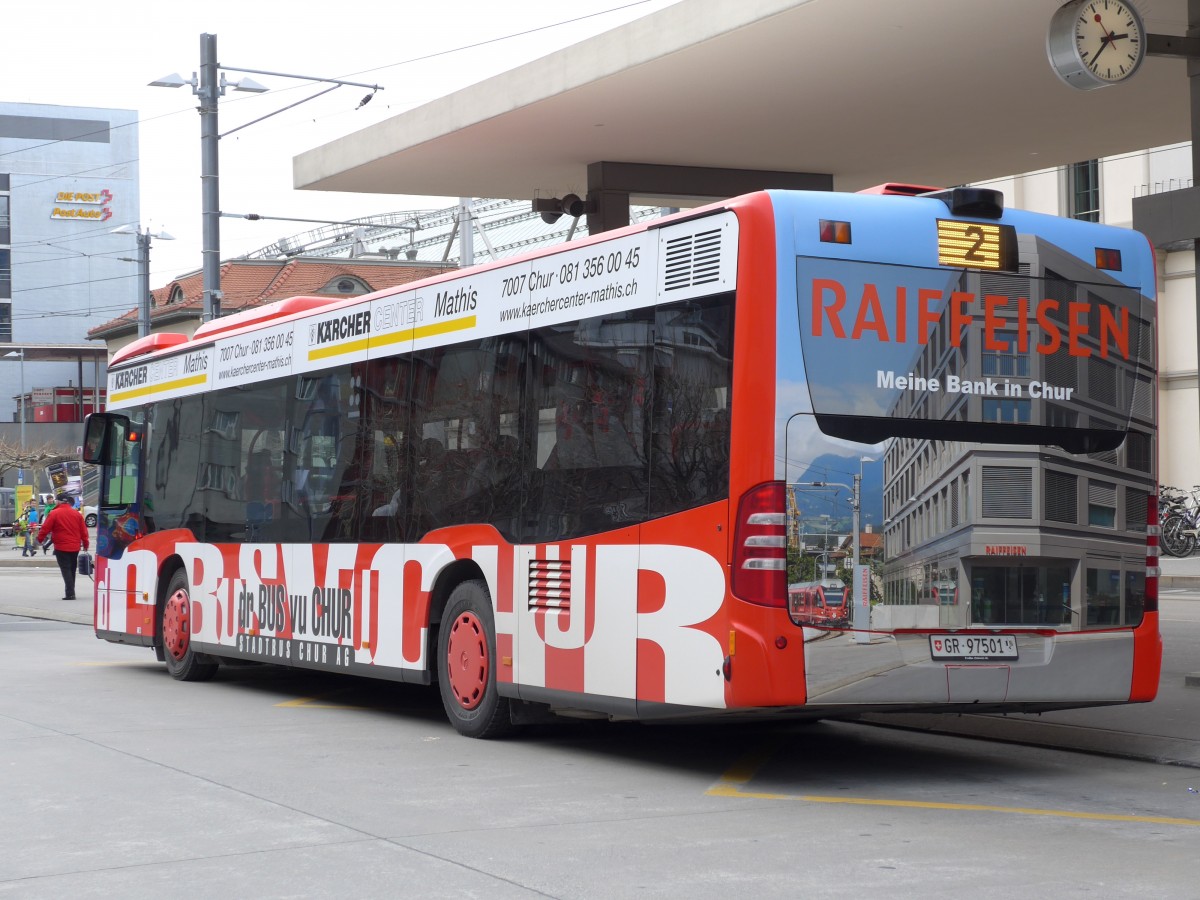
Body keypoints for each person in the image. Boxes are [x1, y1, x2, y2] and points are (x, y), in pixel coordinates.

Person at [37, 493, 89, 601]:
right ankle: (71, 591)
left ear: (58, 501)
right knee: (72, 569)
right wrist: (85, 544)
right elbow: (83, 531)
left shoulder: (54, 513)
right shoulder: (77, 514)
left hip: (61, 546)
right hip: (75, 547)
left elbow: (45, 528)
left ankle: (70, 593)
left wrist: (39, 540)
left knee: (65, 569)